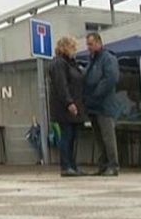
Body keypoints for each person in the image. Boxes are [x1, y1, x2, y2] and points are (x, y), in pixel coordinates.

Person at [84, 32, 120, 177]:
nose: (89, 47)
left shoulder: (108, 59)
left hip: (104, 104)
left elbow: (110, 78)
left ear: (99, 43)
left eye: (91, 44)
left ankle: (113, 165)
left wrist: (95, 94)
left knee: (108, 137)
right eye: (88, 45)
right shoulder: (92, 61)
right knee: (99, 138)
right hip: (93, 106)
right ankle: (103, 165)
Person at [49, 37, 86, 177]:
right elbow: (61, 85)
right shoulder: (59, 63)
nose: (75, 50)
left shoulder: (70, 63)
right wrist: (69, 102)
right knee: (67, 135)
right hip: (65, 107)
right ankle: (66, 166)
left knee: (72, 136)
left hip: (74, 105)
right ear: (66, 47)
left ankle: (72, 165)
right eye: (73, 47)